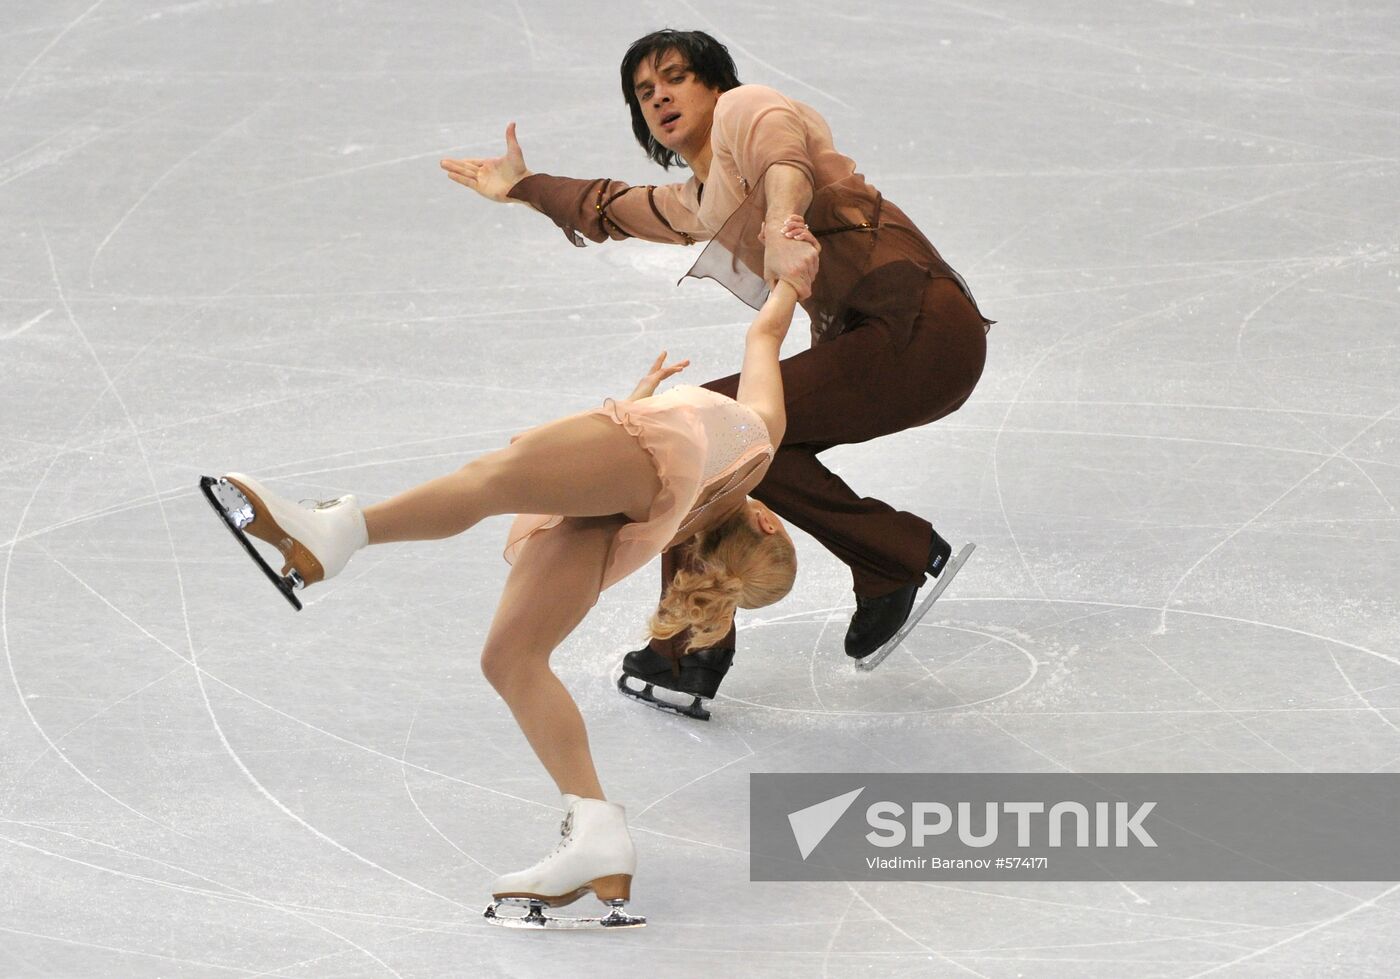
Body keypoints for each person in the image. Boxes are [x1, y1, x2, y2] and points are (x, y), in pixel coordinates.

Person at [199, 235, 814, 928]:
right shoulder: (679, 528)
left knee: (491, 478)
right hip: (626, 513)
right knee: (513, 659)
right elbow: (643, 483)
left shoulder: (761, 442)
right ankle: (596, 833)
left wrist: (793, 278)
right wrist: (640, 410)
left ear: (767, 526)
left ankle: (333, 535)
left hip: (647, 456)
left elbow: (764, 334)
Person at [439, 29, 993, 718]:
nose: (659, 97)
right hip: (898, 343)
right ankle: (887, 556)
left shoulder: (746, 109)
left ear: (715, 85)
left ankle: (690, 645)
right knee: (754, 445)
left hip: (916, 325)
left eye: (675, 77)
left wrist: (783, 224)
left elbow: (783, 157)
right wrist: (522, 186)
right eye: (645, 91)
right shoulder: (707, 198)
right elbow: (616, 207)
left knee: (703, 429)